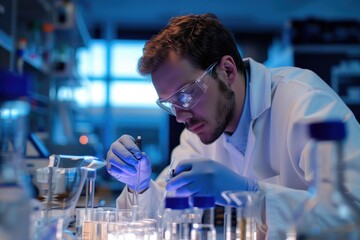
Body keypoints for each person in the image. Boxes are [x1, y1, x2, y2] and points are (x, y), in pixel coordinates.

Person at [106, 13, 360, 238]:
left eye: (185, 95)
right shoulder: (198, 134)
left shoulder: (306, 102)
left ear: (227, 71)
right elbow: (165, 212)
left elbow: (351, 217)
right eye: (170, 104)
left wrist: (251, 193)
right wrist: (139, 184)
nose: (180, 117)